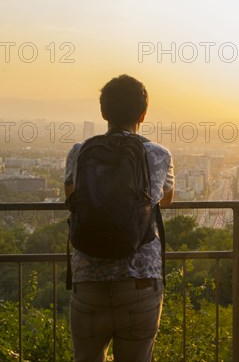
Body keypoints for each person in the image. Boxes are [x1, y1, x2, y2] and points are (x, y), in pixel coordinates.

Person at [64, 75, 174, 362]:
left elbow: (71, 197)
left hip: (88, 279)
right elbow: (165, 198)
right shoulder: (158, 154)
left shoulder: (79, 151)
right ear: (143, 114)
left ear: (103, 112)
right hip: (139, 281)